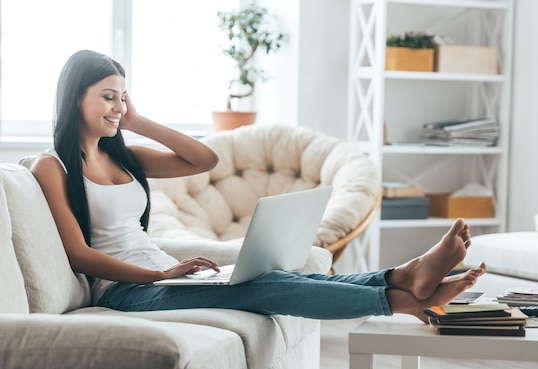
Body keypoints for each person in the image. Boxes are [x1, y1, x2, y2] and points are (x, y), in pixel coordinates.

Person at [31, 50, 486, 323]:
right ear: (75, 96)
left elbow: (204, 159)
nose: (117, 107)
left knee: (275, 276)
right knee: (262, 287)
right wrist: (160, 274)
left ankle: (403, 276)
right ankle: (399, 297)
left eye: (123, 96)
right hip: (126, 292)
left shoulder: (123, 156)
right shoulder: (52, 168)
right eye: (108, 97)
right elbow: (78, 254)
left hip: (165, 276)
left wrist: (136, 120)